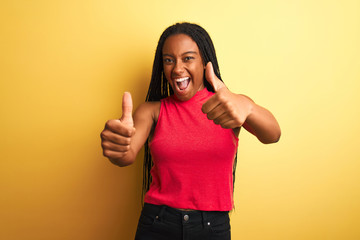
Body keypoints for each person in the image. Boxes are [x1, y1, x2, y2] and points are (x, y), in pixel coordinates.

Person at [100, 22, 281, 240]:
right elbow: (126, 155)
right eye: (169, 60)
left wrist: (248, 106)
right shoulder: (152, 111)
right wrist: (118, 147)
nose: (177, 68)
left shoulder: (230, 106)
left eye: (187, 58)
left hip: (212, 227)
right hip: (157, 223)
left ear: (205, 62)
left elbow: (273, 135)